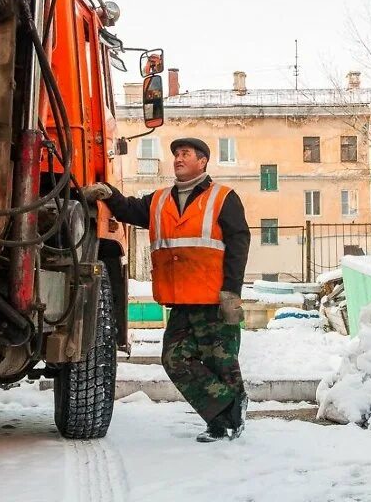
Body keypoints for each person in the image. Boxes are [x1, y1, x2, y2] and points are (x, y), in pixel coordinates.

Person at [82, 137, 251, 442]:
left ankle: (221, 422)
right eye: (175, 154)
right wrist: (108, 194)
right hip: (181, 300)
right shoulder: (159, 200)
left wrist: (232, 291)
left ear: (203, 161)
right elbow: (130, 210)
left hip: (214, 298)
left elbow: (239, 244)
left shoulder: (223, 198)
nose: (178, 158)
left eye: (185, 153)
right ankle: (231, 404)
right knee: (174, 359)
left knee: (222, 362)